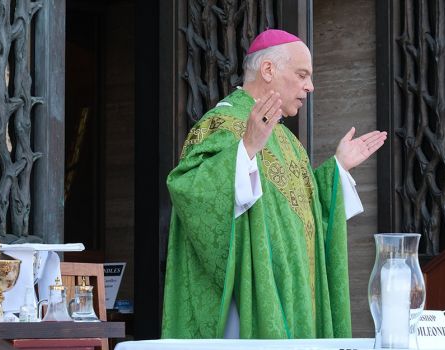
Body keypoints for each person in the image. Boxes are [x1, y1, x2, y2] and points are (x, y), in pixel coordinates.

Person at [162, 29, 387, 339]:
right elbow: (189, 190)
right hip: (248, 309)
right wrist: (245, 151)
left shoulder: (287, 141)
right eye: (302, 74)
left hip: (295, 299)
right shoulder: (221, 124)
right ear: (268, 70)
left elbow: (307, 217)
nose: (311, 86)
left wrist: (338, 169)